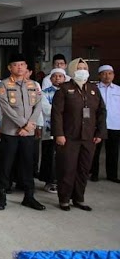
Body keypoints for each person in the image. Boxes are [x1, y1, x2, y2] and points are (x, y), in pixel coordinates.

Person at [52, 58, 107, 211]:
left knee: (83, 169)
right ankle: (64, 199)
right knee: (67, 168)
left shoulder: (93, 89)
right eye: (79, 67)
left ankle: (79, 198)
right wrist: (59, 134)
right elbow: (57, 113)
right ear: (72, 70)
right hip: (69, 136)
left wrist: (100, 132)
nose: (82, 70)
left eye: (84, 68)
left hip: (89, 136)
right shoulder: (64, 89)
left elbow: (101, 112)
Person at [0, 53, 45, 211]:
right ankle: (1, 197)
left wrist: (30, 125)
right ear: (10, 67)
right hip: (10, 132)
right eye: (16, 65)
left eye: (22, 64)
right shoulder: (3, 85)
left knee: (28, 165)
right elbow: (6, 108)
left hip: (28, 133)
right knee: (6, 165)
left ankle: (29, 197)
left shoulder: (34, 85)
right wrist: (23, 124)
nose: (20, 67)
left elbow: (38, 106)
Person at [92, 65, 120, 183]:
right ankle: (94, 174)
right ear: (99, 75)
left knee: (113, 151)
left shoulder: (118, 90)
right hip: (98, 125)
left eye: (110, 73)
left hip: (115, 124)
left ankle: (112, 175)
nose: (107, 76)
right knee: (95, 151)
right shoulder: (94, 89)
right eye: (104, 73)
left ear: (113, 75)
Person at [39, 68, 66, 193]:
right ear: (50, 79)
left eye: (60, 76)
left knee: (64, 156)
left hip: (66, 130)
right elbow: (46, 110)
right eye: (55, 76)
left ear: (65, 78)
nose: (58, 78)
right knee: (49, 156)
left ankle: (62, 181)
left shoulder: (70, 92)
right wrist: (63, 112)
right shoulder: (44, 93)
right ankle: (49, 181)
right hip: (49, 129)